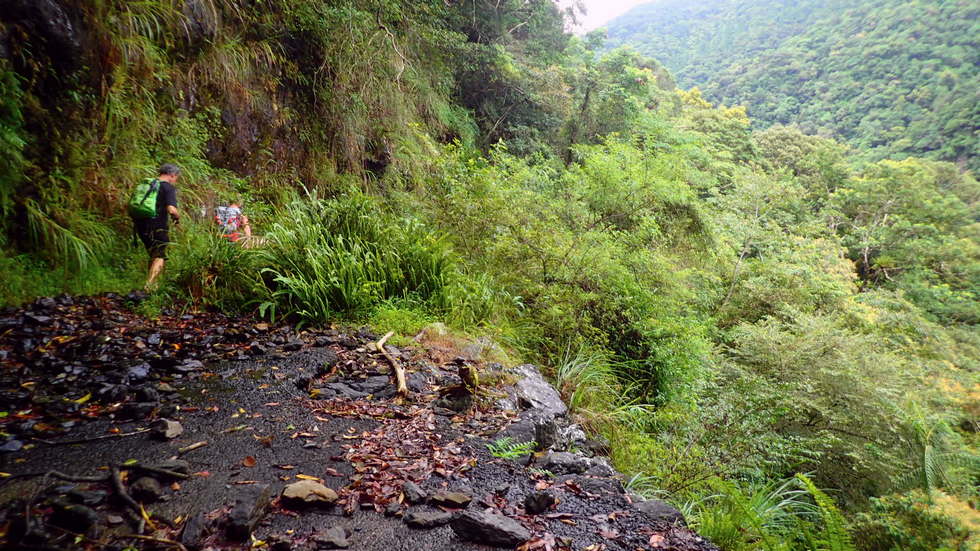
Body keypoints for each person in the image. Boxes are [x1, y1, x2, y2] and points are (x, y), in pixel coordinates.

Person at [134, 163, 181, 290]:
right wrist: (177, 217)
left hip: (140, 224)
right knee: (160, 255)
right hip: (157, 226)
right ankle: (149, 285)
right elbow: (171, 209)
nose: (176, 180)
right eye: (176, 177)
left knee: (153, 254)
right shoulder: (167, 188)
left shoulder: (149, 184)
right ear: (172, 175)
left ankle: (152, 284)